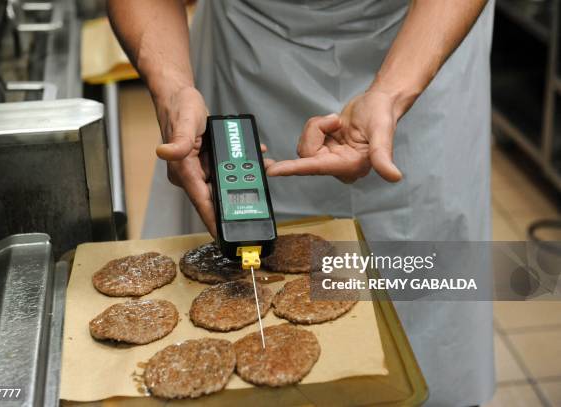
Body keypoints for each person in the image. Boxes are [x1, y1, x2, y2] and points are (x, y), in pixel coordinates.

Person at [108, 0, 495, 405]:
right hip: (245, 50)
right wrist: (172, 89)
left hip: (421, 48)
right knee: (234, 274)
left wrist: (392, 92)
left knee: (422, 301)